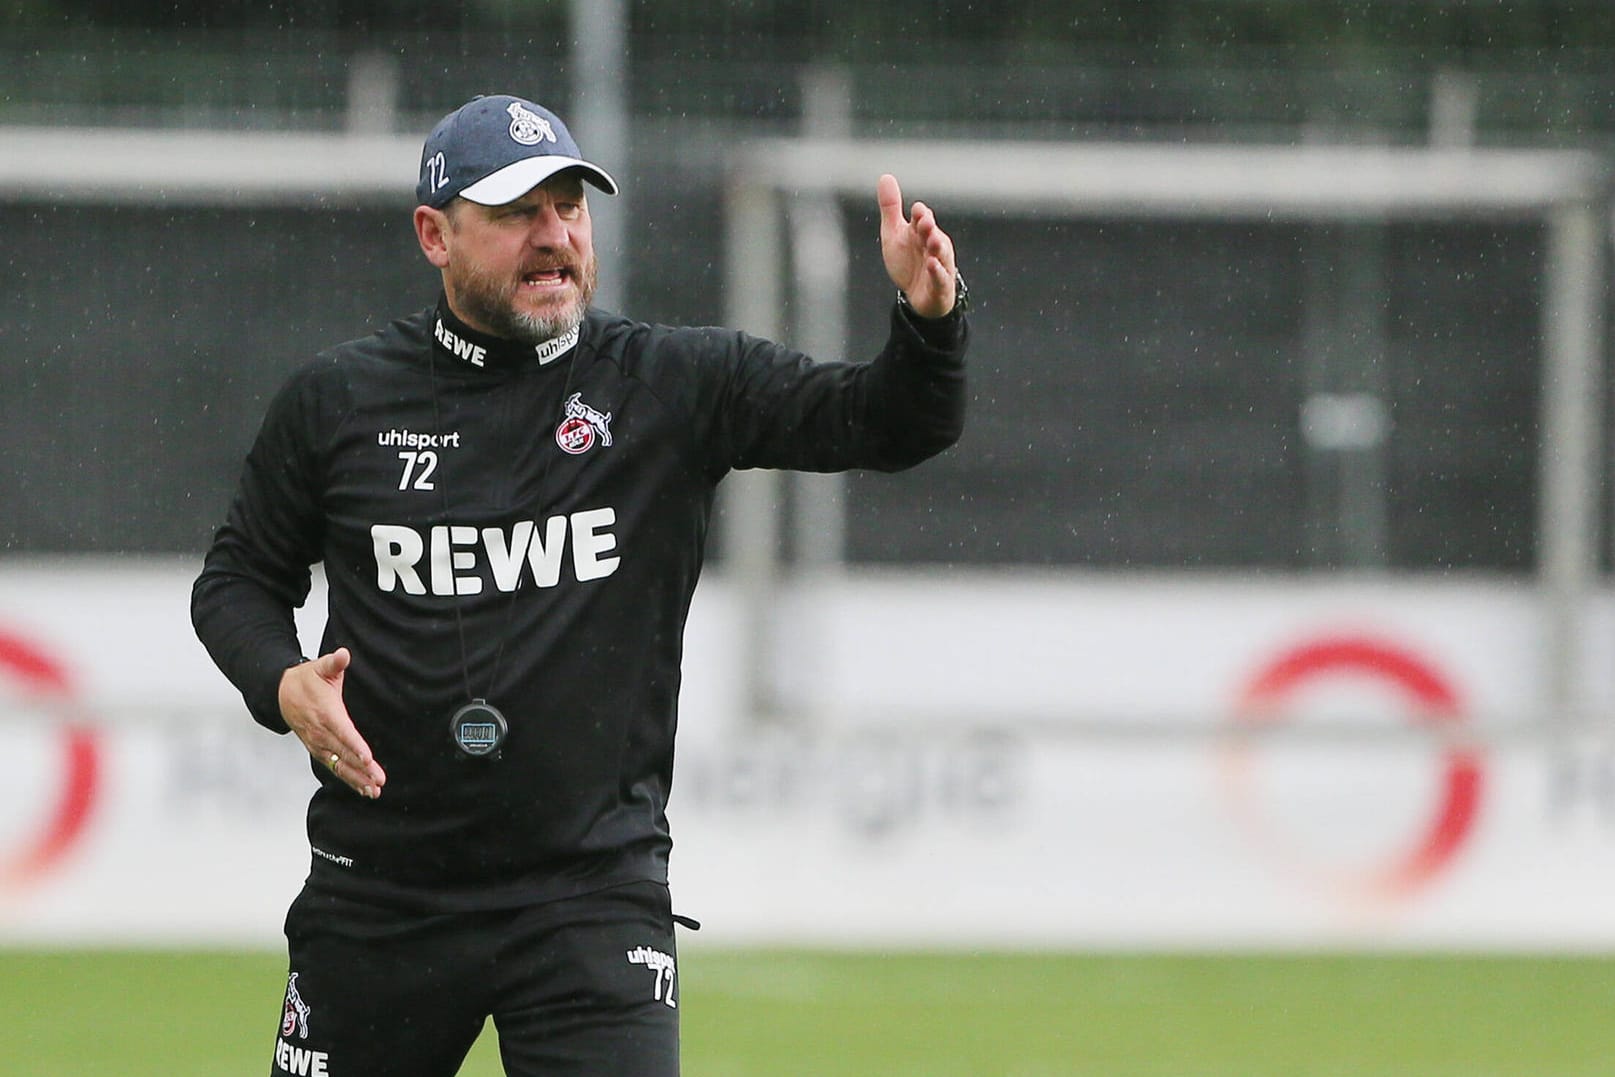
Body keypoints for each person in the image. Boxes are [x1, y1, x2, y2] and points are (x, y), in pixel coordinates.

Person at [191, 92, 968, 1077]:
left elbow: (887, 423)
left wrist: (928, 319)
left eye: (570, 206)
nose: (554, 236)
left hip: (591, 901)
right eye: (519, 212)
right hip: (380, 899)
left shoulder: (672, 384)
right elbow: (237, 581)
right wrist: (281, 681)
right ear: (435, 233)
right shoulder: (338, 401)